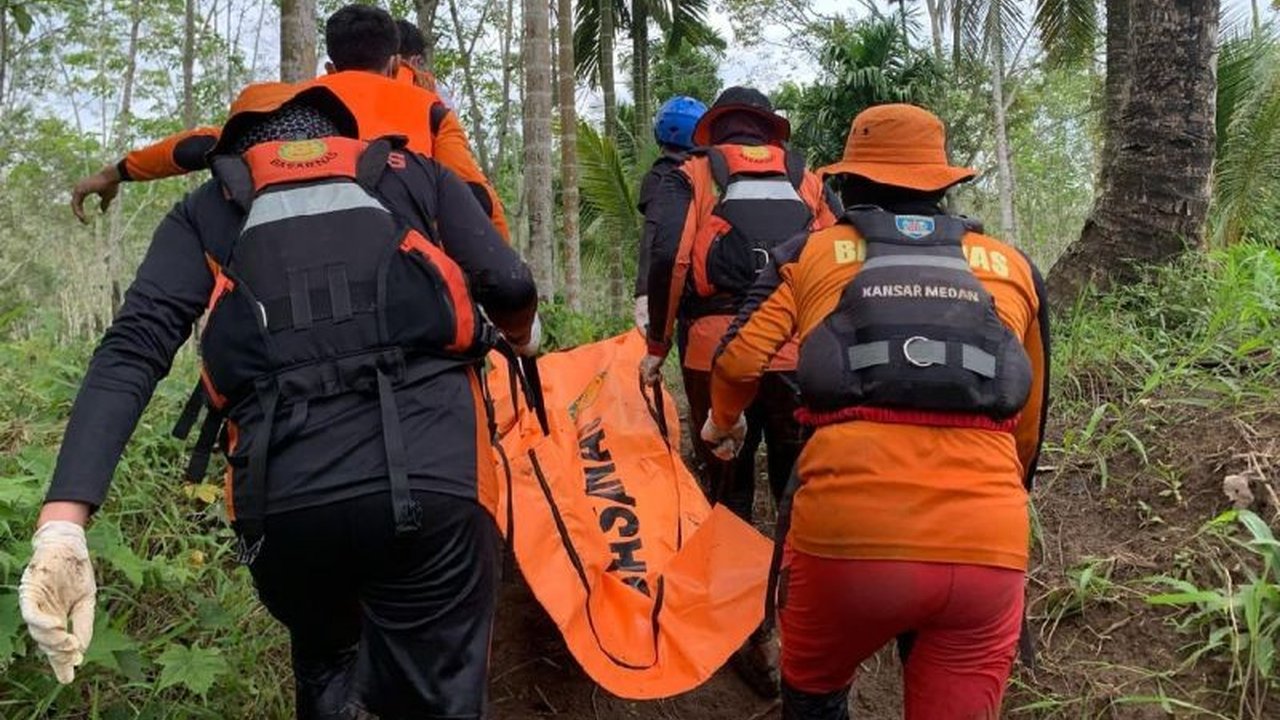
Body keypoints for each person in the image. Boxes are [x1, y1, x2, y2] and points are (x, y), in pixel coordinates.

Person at [19, 82, 539, 719]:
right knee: (439, 696)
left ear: (239, 152)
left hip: (285, 505)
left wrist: (63, 524)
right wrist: (521, 337)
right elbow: (509, 281)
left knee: (327, 663)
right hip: (433, 486)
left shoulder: (207, 210)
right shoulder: (413, 175)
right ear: (341, 135)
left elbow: (132, 349)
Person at [702, 104, 1050, 719]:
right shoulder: (1012, 267)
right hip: (986, 548)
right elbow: (1027, 426)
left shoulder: (810, 253)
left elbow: (737, 361)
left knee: (815, 694)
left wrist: (722, 421)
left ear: (847, 184)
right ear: (945, 184)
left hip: (844, 540)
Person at [640, 85, 841, 697]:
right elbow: (839, 257)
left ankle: (739, 623)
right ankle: (792, 619)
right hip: (797, 351)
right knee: (794, 481)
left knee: (726, 476)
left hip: (713, 346)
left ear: (718, 128)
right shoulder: (810, 176)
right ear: (768, 131)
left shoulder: (692, 174)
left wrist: (655, 345)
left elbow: (671, 258)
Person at [70, 5, 507, 240]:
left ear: (330, 67)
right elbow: (480, 203)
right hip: (412, 279)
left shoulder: (294, 105)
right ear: (395, 62)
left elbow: (198, 146)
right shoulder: (430, 110)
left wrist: (114, 172)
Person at [633, 95, 707, 334]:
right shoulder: (711, 176)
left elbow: (652, 236)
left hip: (678, 287)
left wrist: (644, 292)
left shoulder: (656, 179)